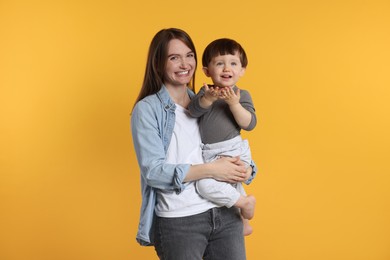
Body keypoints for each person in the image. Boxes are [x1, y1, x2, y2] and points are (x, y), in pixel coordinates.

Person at [131, 28, 257, 260]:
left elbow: (227, 142)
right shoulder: (147, 110)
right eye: (174, 57)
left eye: (189, 55)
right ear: (158, 64)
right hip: (180, 220)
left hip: (226, 212)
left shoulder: (209, 100)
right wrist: (211, 170)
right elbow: (153, 172)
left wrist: (247, 169)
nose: (184, 64)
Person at [188, 38, 257, 236]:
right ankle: (243, 213)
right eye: (219, 63)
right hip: (211, 153)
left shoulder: (241, 94)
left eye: (233, 63)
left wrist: (234, 104)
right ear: (207, 71)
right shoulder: (205, 92)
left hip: (234, 149)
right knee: (223, 184)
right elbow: (193, 112)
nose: (227, 68)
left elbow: (249, 123)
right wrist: (207, 99)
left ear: (242, 70)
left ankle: (243, 209)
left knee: (215, 183)